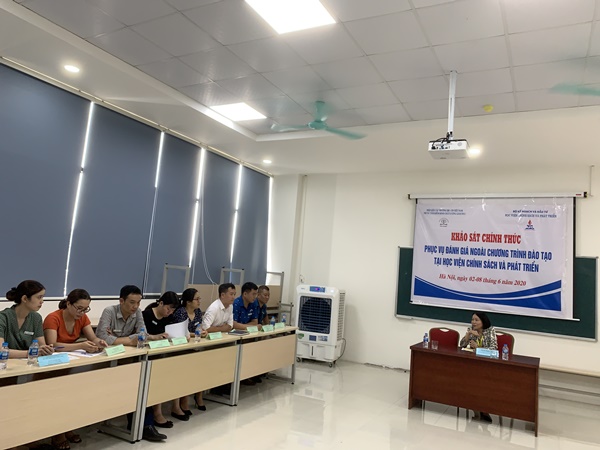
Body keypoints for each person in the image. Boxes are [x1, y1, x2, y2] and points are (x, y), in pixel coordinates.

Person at [95, 285, 167, 442]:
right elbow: (102, 338)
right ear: (121, 301)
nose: (136, 306)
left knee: (142, 384)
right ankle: (139, 424)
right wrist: (129, 340)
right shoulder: (109, 311)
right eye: (132, 302)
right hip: (108, 362)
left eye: (138, 302)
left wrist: (117, 339)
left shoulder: (138, 312)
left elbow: (142, 334)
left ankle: (144, 425)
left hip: (130, 359)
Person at [43, 289, 108, 449]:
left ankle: (68, 427)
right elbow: (53, 345)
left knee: (75, 395)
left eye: (86, 309)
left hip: (72, 363)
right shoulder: (53, 318)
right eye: (79, 308)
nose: (82, 312)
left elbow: (92, 337)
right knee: (60, 397)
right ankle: (57, 433)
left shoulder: (83, 318)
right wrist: (80, 345)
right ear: (68, 304)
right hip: (54, 365)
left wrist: (99, 342)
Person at [143, 291, 178, 428]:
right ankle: (155, 414)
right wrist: (154, 337)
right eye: (168, 309)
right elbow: (141, 335)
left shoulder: (169, 317)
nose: (169, 312)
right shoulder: (146, 315)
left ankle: (160, 411)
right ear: (161, 303)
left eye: (172, 310)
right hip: (147, 355)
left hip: (162, 354)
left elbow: (174, 332)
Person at [171, 288, 208, 417]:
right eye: (196, 299)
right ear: (188, 302)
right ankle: (181, 402)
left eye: (199, 299)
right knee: (183, 373)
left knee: (200, 369)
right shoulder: (181, 312)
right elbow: (181, 333)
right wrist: (195, 334)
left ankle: (195, 397)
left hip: (194, 346)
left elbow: (199, 327)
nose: (199, 301)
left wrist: (202, 332)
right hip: (181, 349)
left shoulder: (197, 312)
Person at [459, 311, 497, 423]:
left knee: (481, 384)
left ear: (483, 321)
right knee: (470, 382)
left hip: (487, 365)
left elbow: (493, 349)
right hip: (473, 364)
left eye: (476, 320)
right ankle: (476, 411)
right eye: (472, 320)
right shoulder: (471, 330)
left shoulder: (490, 331)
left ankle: (483, 410)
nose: (473, 322)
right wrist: (467, 335)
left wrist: (478, 347)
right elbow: (461, 345)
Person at [0, 280, 54, 359]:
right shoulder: (3, 317)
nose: (42, 301)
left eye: (43, 297)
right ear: (25, 298)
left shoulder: (36, 318)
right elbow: (1, 350)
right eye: (39, 297)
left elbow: (41, 345)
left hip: (28, 363)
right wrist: (30, 353)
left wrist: (46, 350)